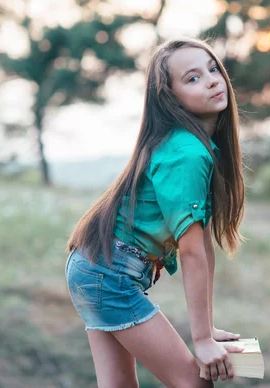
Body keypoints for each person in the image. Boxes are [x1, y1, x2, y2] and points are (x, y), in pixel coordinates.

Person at [64, 37, 246, 388]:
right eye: (192, 78)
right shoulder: (186, 154)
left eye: (212, 69)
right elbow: (191, 252)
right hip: (108, 275)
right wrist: (202, 342)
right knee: (193, 383)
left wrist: (206, 330)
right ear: (170, 97)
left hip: (93, 267)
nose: (211, 80)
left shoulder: (196, 147)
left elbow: (203, 244)